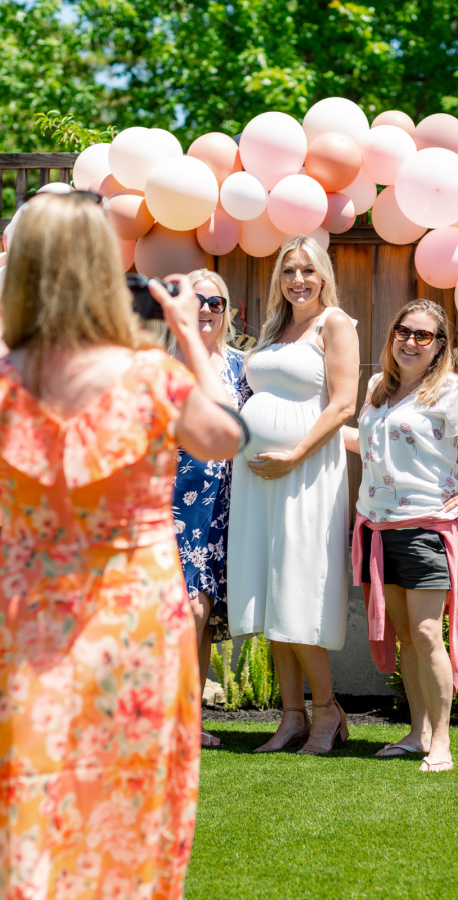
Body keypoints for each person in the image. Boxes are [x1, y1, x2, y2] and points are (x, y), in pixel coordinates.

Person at [0, 192, 242, 898]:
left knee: (31, 774)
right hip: (133, 617)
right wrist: (187, 334)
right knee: (127, 785)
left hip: (28, 615)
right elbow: (225, 437)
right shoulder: (150, 377)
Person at [344, 299, 458, 772]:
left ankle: (441, 742)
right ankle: (417, 733)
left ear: (440, 345)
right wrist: (307, 432)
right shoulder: (377, 388)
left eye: (423, 335)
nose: (410, 341)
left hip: (427, 527)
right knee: (406, 636)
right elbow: (368, 444)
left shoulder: (452, 390)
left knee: (426, 633)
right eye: (403, 331)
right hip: (377, 526)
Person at [227, 235, 359, 755]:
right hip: (258, 480)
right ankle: (291, 717)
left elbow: (343, 405)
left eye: (307, 270)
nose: (297, 280)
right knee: (269, 591)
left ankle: (327, 712)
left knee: (296, 588)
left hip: (306, 474)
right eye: (288, 270)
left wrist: (294, 454)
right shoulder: (273, 329)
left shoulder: (335, 324)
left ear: (323, 275)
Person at [171, 268, 251, 749]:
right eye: (195, 300)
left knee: (205, 613)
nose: (204, 309)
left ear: (226, 312)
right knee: (188, 610)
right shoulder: (162, 363)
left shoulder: (243, 367)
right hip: (172, 500)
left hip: (226, 504)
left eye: (214, 302)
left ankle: (190, 720)